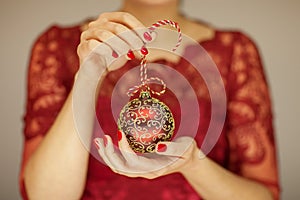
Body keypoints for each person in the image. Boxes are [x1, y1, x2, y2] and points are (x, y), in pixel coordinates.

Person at [19, 0, 280, 199]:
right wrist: (89, 74)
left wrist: (193, 165)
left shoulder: (234, 52)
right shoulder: (58, 46)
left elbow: (262, 194)